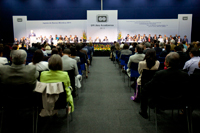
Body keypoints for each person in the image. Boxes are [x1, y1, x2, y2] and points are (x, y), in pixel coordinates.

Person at [139, 52, 189, 119]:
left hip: (161, 102)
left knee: (144, 90)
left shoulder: (160, 74)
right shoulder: (185, 75)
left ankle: (144, 112)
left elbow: (147, 88)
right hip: (180, 102)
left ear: (167, 63)